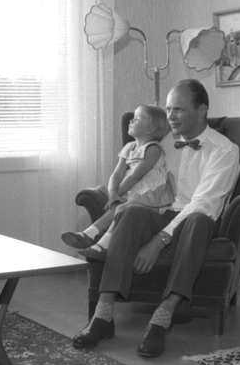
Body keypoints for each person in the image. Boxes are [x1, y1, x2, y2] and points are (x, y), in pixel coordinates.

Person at [72, 79, 240, 359]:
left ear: (201, 111)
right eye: (169, 109)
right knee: (130, 211)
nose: (170, 116)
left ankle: (163, 316)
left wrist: (158, 242)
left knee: (197, 220)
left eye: (179, 110)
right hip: (161, 212)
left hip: (196, 220)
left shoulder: (225, 150)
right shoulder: (162, 144)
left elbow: (203, 204)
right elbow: (136, 176)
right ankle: (103, 315)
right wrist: (114, 194)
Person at [60, 104, 171, 256]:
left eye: (136, 119)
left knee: (121, 208)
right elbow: (117, 173)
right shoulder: (129, 147)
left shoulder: (153, 149)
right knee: (117, 205)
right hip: (133, 193)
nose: (130, 121)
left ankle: (103, 246)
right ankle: (88, 234)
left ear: (150, 128)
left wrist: (117, 193)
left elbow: (135, 176)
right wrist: (112, 192)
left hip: (151, 197)